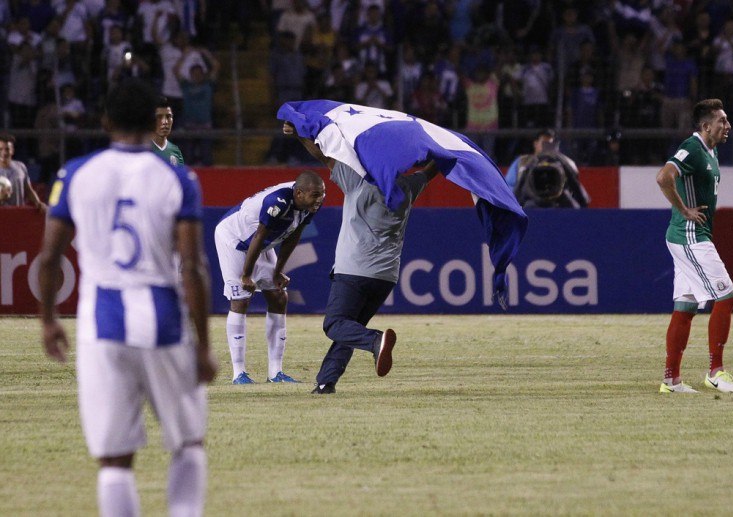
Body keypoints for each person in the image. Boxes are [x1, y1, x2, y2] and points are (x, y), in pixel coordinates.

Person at [38, 78, 218, 516]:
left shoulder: (76, 173)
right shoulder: (179, 178)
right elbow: (193, 268)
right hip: (165, 322)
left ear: (105, 120)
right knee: (188, 442)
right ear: (151, 122)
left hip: (102, 327)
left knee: (115, 459)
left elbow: (49, 258)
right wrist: (205, 346)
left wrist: (48, 320)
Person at [283, 121, 440, 394]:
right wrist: (442, 147)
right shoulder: (408, 186)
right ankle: (325, 382)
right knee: (349, 327)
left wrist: (298, 134)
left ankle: (375, 341)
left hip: (354, 270)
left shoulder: (358, 180)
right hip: (386, 276)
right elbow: (429, 172)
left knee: (334, 324)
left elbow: (322, 155)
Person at [656, 98, 733, 394]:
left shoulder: (711, 150)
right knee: (727, 295)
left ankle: (671, 379)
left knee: (686, 306)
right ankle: (715, 372)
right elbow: (664, 177)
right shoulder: (692, 148)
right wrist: (684, 210)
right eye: (722, 121)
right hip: (690, 236)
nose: (727, 126)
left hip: (689, 236)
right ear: (706, 126)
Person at [214, 170, 326, 384]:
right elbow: (259, 236)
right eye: (315, 195)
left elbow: (294, 235)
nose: (319, 199)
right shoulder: (278, 201)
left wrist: (277, 272)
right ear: (299, 193)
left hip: (262, 242)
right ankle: (239, 373)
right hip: (235, 240)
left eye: (321, 194)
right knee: (240, 299)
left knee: (278, 296)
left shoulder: (312, 200)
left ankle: (276, 373)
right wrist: (246, 275)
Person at [507, 129, 590, 209]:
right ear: (535, 144)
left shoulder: (566, 162)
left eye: (551, 143)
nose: (547, 146)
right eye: (544, 143)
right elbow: (510, 188)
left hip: (559, 201)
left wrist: (561, 160)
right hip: (530, 199)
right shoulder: (522, 162)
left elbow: (579, 193)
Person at [0, 134, 46, 211]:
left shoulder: (20, 166)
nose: (4, 153)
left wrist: (38, 202)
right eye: (0, 149)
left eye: (7, 149)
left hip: (19, 214)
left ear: (12, 150)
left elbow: (28, 189)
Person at [152, 96, 184, 165]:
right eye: (159, 117)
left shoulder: (175, 151)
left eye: (168, 116)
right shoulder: (144, 150)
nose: (165, 121)